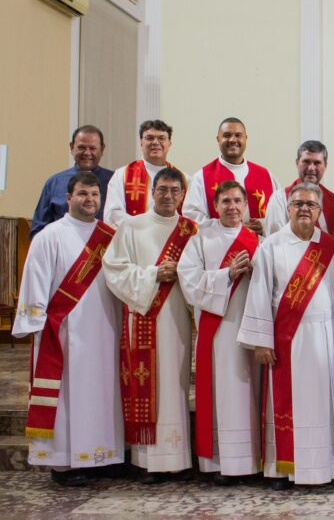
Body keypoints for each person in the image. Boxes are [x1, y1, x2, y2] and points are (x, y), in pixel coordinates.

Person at [14, 171, 123, 486]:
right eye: (83, 194)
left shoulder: (109, 236)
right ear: (68, 197)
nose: (89, 200)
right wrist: (36, 323)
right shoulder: (50, 235)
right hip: (63, 332)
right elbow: (35, 280)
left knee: (101, 394)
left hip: (104, 328)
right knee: (68, 398)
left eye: (94, 195)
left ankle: (100, 456)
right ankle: (62, 462)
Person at [238, 182, 334, 490]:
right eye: (298, 204)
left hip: (322, 336)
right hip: (287, 338)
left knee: (320, 403)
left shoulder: (330, 246)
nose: (304, 209)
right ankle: (282, 470)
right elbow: (258, 294)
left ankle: (320, 467)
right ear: (288, 208)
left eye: (311, 204)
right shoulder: (272, 245)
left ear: (320, 210)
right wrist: (261, 341)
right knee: (284, 404)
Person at [102, 167, 197, 483]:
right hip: (144, 316)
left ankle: (179, 458)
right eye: (163, 189)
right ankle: (146, 462)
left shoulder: (191, 230)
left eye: (175, 190)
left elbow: (201, 273)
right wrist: (153, 274)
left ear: (182, 195)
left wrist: (182, 275)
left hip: (178, 319)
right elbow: (114, 269)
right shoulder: (131, 226)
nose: (168, 195)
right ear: (152, 192)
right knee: (149, 384)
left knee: (176, 384)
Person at [176, 180, 260, 485]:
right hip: (217, 330)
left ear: (245, 204)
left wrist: (255, 272)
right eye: (226, 201)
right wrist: (228, 274)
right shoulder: (201, 239)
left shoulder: (255, 240)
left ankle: (249, 462)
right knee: (220, 394)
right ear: (216, 204)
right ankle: (219, 462)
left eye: (238, 201)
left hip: (248, 329)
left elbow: (270, 286)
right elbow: (188, 280)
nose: (233, 207)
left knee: (248, 391)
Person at [182, 117, 279, 235]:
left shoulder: (266, 176)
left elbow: (280, 215)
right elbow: (192, 217)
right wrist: (229, 227)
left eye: (238, 135)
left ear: (246, 138)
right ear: (218, 139)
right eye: (227, 135)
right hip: (220, 249)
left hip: (260, 249)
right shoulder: (201, 177)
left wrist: (264, 225)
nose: (233, 140)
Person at [31, 125, 113, 238]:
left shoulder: (115, 181)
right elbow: (38, 230)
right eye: (81, 147)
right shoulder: (54, 183)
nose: (87, 153)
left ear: (102, 149)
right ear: (72, 147)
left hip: (103, 251)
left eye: (92, 148)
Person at [104, 120, 185, 228]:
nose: (155, 142)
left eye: (161, 138)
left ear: (169, 143)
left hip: (170, 239)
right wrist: (144, 229)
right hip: (134, 239)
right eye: (149, 138)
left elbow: (188, 216)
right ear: (141, 142)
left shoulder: (184, 179)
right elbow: (112, 214)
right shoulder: (122, 175)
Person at [263, 140, 334, 240]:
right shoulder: (280, 199)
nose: (311, 168)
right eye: (306, 162)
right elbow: (275, 242)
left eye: (317, 163)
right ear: (297, 163)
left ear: (325, 165)